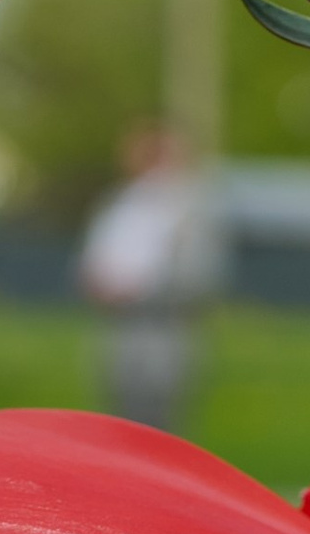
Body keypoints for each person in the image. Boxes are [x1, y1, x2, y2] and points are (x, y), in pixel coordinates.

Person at [79, 122, 223, 435]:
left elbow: (199, 278)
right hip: (121, 330)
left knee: (161, 421)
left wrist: (144, 293)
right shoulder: (119, 203)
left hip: (165, 331)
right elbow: (94, 259)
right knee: (120, 416)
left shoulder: (189, 210)